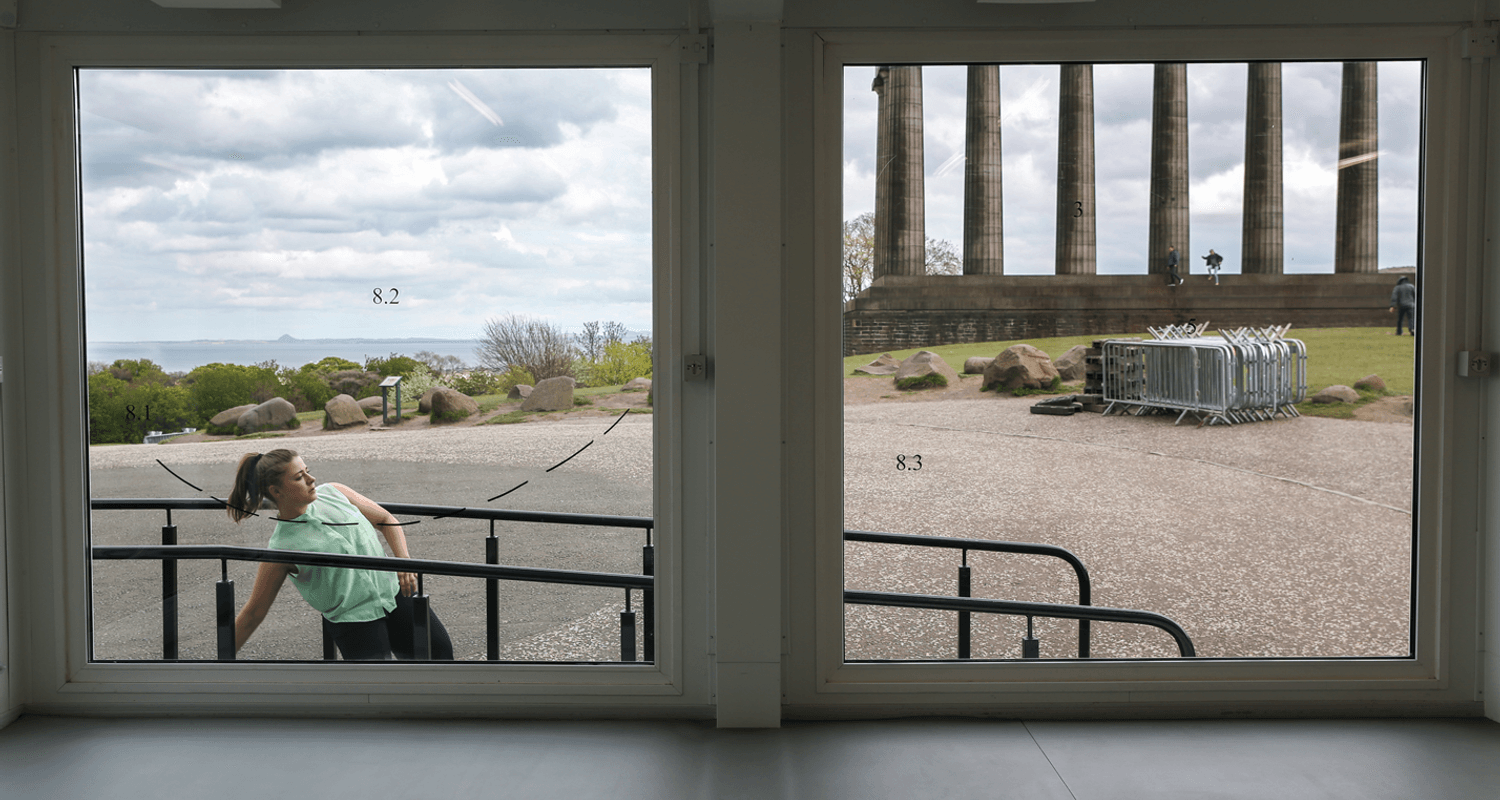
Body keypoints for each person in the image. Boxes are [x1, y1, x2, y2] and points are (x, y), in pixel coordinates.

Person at [227, 448, 455, 660]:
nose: (311, 479)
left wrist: (403, 562)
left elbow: (386, 519)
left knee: (441, 656)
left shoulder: (335, 492)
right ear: (276, 491)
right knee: (379, 686)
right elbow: (254, 612)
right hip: (354, 623)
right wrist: (219, 661)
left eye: (308, 471)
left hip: (395, 593)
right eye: (299, 477)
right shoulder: (281, 547)